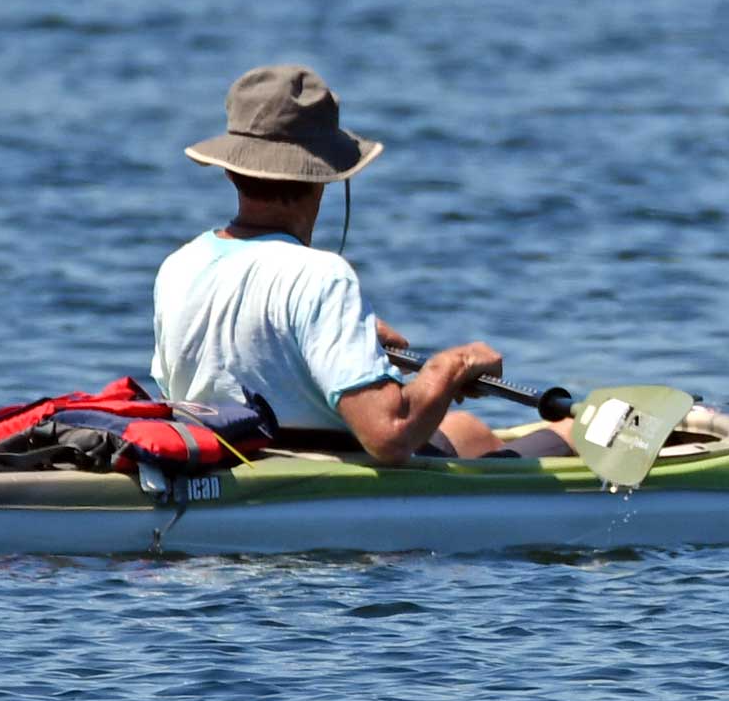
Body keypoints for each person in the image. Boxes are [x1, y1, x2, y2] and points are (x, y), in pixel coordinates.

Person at [152, 65, 558, 463]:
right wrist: (455, 365)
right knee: (568, 432)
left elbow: (220, 379)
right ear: (324, 176)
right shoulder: (321, 275)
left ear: (229, 169)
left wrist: (339, 340)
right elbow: (389, 437)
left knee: (468, 428)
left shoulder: (180, 264)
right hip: (321, 478)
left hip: (233, 465)